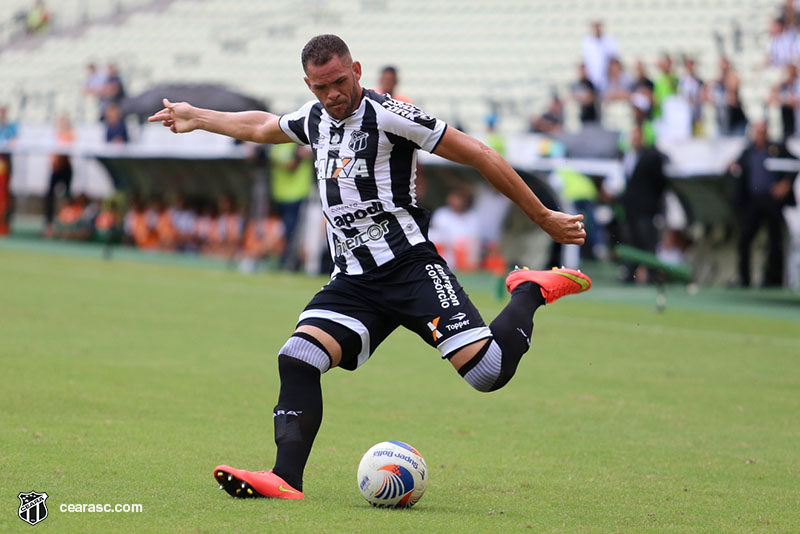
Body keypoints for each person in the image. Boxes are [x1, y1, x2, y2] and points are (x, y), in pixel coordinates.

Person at [148, 34, 590, 500]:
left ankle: (529, 290)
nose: (333, 94)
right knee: (297, 359)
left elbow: (478, 153)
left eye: (340, 81)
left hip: (410, 269)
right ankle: (284, 478)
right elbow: (262, 126)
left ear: (356, 70)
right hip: (354, 281)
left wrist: (543, 216)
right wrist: (197, 117)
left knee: (488, 373)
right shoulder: (315, 118)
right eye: (321, 87)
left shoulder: (391, 115)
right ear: (309, 84)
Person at [729, 121, 797, 286]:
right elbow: (734, 167)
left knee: (775, 241)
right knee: (745, 239)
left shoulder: (777, 149)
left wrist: (785, 184)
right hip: (753, 202)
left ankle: (773, 281)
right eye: (757, 132)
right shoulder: (748, 152)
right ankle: (744, 280)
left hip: (772, 201)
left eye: (763, 131)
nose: (760, 135)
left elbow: (795, 164)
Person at [620, 124, 668, 282]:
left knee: (647, 242)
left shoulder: (652, 156)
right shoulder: (628, 155)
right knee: (632, 241)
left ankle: (653, 275)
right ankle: (630, 274)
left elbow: (659, 183)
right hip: (630, 208)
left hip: (646, 208)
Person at [270, 143, 313, 268]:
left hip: (299, 194)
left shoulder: (280, 145)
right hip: (284, 194)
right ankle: (288, 261)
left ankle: (291, 261)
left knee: (294, 232)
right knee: (289, 232)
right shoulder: (279, 145)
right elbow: (291, 166)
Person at [44, 115, 75, 238]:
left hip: (65, 168)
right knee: (49, 196)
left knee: (67, 196)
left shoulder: (70, 135)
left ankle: (67, 223)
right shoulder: (54, 136)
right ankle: (49, 223)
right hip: (56, 169)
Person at [581, 20, 618, 91]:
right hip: (592, 76)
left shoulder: (609, 40)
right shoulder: (587, 42)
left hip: (608, 76)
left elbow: (614, 59)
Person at [768, 63, 800, 139]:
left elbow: (794, 102)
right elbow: (770, 98)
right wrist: (780, 83)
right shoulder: (784, 86)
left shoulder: (798, 85)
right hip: (789, 128)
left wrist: (782, 100)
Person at [0, 106, 18, 236]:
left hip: (5, 162)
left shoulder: (11, 127)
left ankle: (5, 224)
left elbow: (15, 141)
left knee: (5, 195)